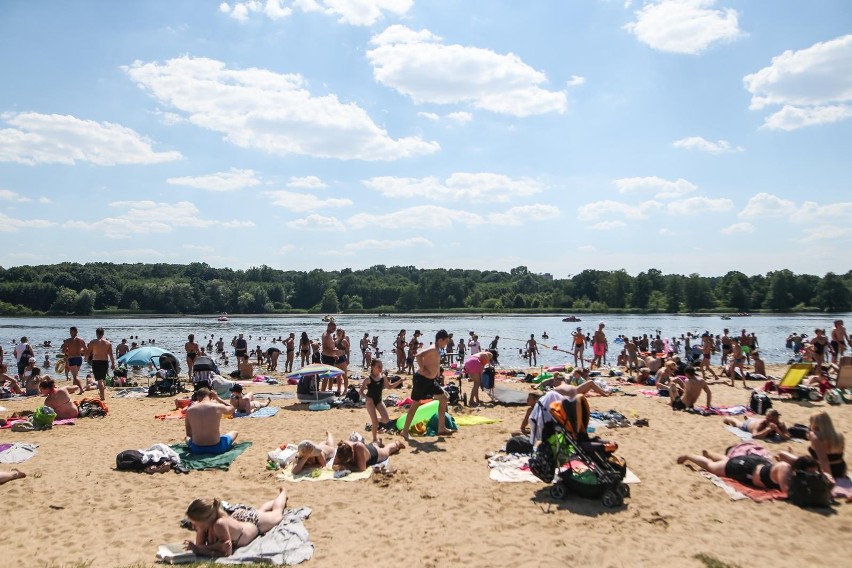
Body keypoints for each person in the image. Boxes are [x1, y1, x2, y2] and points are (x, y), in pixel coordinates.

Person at [183, 487, 289, 557]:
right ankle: (274, 501)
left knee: (277, 513)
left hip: (253, 523)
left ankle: (283, 493)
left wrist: (200, 549)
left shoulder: (219, 524)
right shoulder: (203, 526)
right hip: (239, 519)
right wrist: (204, 547)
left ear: (205, 520)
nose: (193, 526)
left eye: (195, 523)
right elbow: (200, 546)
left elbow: (226, 553)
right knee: (260, 511)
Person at [400, 329, 454, 440]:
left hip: (430, 381)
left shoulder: (438, 349)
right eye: (446, 341)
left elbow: (434, 362)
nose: (447, 343)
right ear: (440, 340)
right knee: (415, 404)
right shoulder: (433, 348)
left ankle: (441, 428)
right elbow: (419, 355)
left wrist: (437, 373)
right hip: (421, 379)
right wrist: (423, 369)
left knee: (443, 399)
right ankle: (405, 431)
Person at [676, 444, 795, 493]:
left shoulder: (786, 469)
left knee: (728, 462)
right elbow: (786, 491)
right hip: (745, 468)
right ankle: (688, 456)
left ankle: (710, 454)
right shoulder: (785, 472)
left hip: (756, 462)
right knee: (711, 467)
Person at [777, 411, 846, 483]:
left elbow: (824, 460)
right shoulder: (839, 435)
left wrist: (829, 479)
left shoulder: (816, 437)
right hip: (840, 470)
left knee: (782, 455)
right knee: (803, 458)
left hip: (824, 470)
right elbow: (838, 457)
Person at [360, 359, 403, 443]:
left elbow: (389, 387)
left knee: (386, 420)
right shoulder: (368, 379)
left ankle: (375, 421)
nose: (380, 368)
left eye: (381, 366)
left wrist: (399, 381)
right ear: (372, 367)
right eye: (378, 366)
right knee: (375, 422)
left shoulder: (383, 376)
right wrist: (367, 398)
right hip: (370, 402)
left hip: (379, 400)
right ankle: (375, 439)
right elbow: (360, 392)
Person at [185, 388, 238, 455]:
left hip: (196, 449)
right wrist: (218, 398)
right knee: (234, 432)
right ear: (211, 395)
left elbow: (189, 434)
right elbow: (232, 409)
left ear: (198, 397)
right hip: (216, 448)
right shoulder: (217, 407)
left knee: (187, 438)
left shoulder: (189, 410)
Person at [333, 438, 405, 472]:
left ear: (352, 452)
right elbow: (334, 464)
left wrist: (346, 466)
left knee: (386, 451)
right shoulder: (341, 449)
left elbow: (362, 468)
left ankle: (397, 443)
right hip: (365, 450)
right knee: (373, 445)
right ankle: (377, 442)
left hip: (373, 454)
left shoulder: (358, 447)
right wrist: (337, 466)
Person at [85, 327, 114, 401]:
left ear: (96, 333)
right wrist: (113, 363)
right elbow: (111, 355)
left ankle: (102, 396)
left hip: (96, 361)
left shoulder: (93, 342)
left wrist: (86, 358)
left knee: (100, 380)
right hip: (104, 362)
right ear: (103, 334)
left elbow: (88, 352)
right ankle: (102, 391)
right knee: (103, 379)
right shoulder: (108, 343)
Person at [723, 409, 790, 441]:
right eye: (767, 419)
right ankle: (729, 418)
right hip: (748, 425)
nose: (769, 421)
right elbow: (754, 436)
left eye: (771, 419)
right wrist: (768, 429)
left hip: (755, 421)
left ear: (777, 419)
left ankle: (749, 418)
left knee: (755, 420)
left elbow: (787, 437)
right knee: (738, 424)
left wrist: (778, 430)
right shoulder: (762, 423)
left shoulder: (780, 424)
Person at [61, 328, 86, 394]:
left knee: (75, 376)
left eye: (70, 332)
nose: (70, 333)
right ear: (77, 332)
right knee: (76, 374)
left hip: (72, 358)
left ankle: (81, 388)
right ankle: (73, 389)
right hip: (79, 358)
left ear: (73, 332)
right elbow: (86, 350)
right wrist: (80, 351)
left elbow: (63, 351)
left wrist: (68, 352)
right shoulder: (81, 340)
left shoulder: (68, 340)